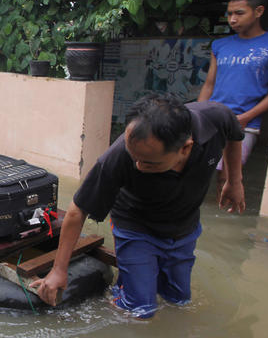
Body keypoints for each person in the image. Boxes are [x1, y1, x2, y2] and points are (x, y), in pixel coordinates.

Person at [30, 94, 246, 319]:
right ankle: (121, 296)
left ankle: (129, 284)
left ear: (185, 148)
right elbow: (77, 210)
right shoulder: (119, 156)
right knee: (141, 310)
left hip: (184, 226)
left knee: (179, 300)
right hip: (136, 226)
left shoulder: (216, 118)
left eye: (149, 163)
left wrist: (234, 181)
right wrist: (59, 270)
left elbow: (235, 133)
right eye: (134, 158)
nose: (138, 166)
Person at [197, 0, 268, 197]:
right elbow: (209, 84)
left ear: (258, 11)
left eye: (239, 13)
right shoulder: (220, 46)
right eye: (229, 14)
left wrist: (246, 117)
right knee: (199, 168)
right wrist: (198, 113)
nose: (232, 20)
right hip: (212, 117)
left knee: (228, 176)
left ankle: (226, 212)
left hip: (245, 123)